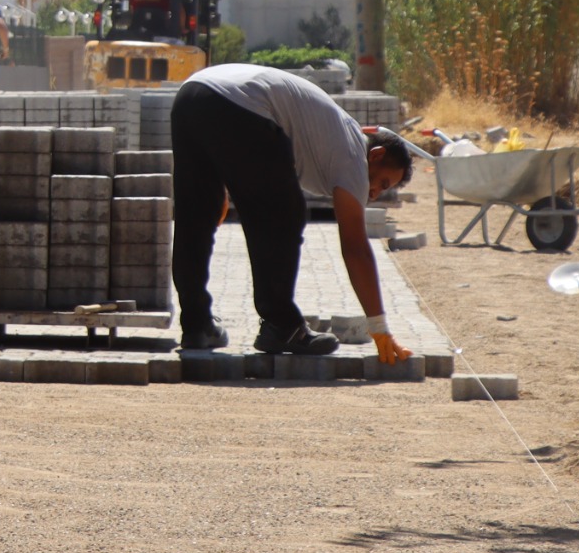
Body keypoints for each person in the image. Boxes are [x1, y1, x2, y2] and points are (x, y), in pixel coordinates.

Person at [170, 62, 416, 359]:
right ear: (376, 155)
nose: (374, 194)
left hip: (191, 96)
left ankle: (196, 325)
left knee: (195, 216)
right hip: (239, 104)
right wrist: (379, 327)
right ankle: (282, 325)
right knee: (283, 214)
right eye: (382, 182)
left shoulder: (336, 133)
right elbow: (355, 248)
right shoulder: (355, 156)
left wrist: (219, 180)